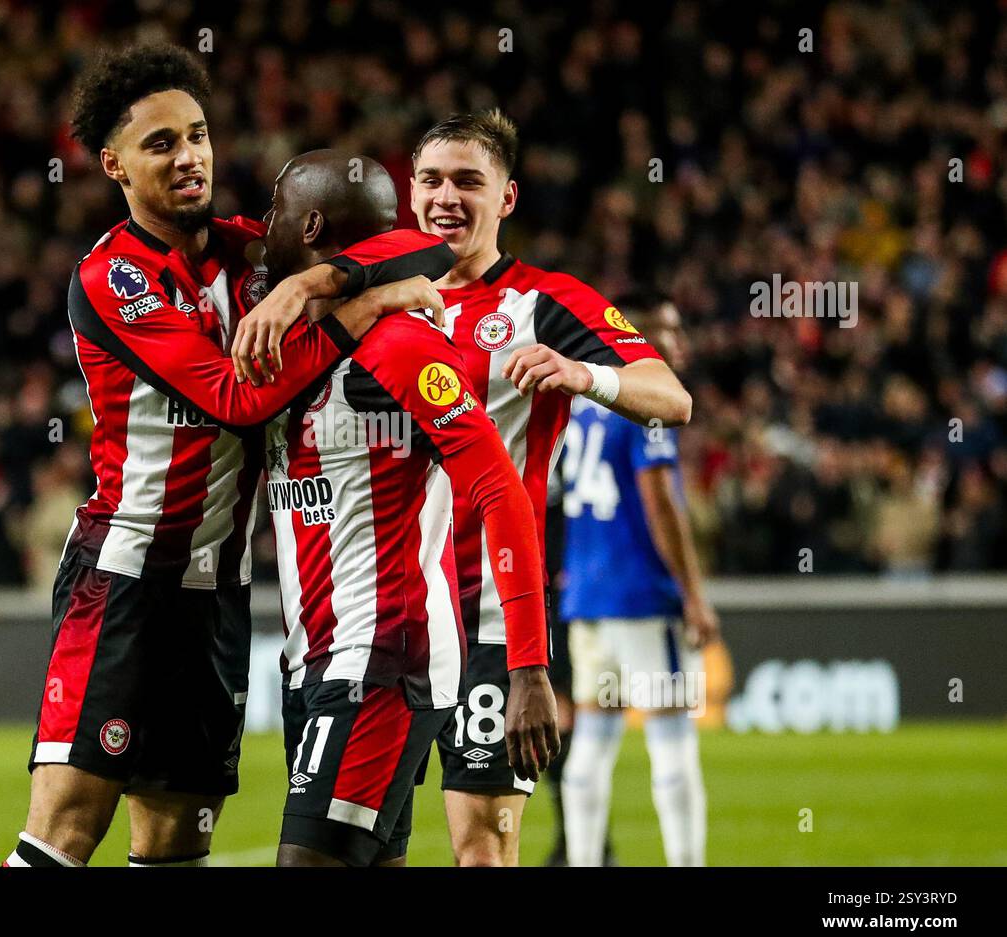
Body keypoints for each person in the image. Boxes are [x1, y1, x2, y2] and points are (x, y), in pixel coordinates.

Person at [6, 44, 453, 869]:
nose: (190, 158)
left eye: (199, 135)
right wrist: (365, 306)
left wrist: (310, 285)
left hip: (219, 598)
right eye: (162, 143)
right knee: (67, 829)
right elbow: (236, 396)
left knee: (178, 838)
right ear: (113, 165)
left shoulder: (253, 254)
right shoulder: (115, 280)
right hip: (128, 580)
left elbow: (412, 244)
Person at [261, 149, 559, 867]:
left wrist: (528, 667)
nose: (259, 224)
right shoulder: (291, 327)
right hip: (315, 658)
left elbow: (499, 488)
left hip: (383, 654)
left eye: (273, 211)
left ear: (309, 226)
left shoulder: (400, 345)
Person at [408, 110, 692, 865]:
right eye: (432, 179)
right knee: (363, 844)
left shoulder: (547, 301)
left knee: (483, 851)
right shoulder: (383, 303)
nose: (447, 197)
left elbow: (671, 395)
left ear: (506, 198)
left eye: (470, 181)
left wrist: (582, 374)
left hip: (493, 622)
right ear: (409, 194)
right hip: (388, 614)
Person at [559, 290, 720, 867]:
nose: (679, 343)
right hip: (641, 596)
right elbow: (660, 503)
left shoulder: (581, 404)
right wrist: (694, 595)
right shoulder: (648, 406)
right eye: (668, 331)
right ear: (639, 337)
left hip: (587, 597)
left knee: (593, 747)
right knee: (672, 741)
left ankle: (581, 860)